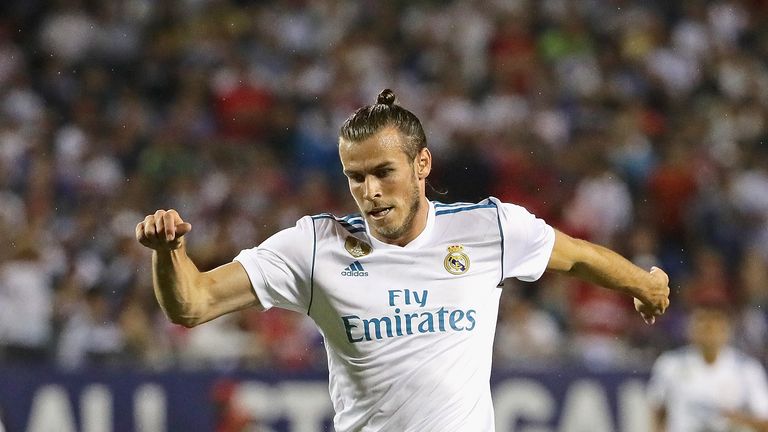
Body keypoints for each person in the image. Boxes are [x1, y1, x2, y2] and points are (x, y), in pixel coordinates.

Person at [136, 89, 670, 431]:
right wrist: (170, 255)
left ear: (421, 164)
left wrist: (642, 286)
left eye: (383, 172)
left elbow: (576, 258)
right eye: (355, 177)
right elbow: (194, 304)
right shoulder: (313, 247)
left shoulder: (488, 227)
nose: (368, 191)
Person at [647, 302, 768, 432]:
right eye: (702, 324)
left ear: (727, 330)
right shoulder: (670, 364)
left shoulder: (747, 369)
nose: (709, 332)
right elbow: (657, 409)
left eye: (714, 326)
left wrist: (737, 419)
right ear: (690, 329)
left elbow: (764, 421)